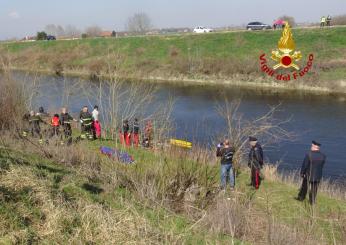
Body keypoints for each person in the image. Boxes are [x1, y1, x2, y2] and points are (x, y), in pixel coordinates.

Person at [296, 141, 326, 205]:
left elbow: (305, 165)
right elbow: (322, 166)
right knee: (314, 189)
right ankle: (312, 202)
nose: (311, 147)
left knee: (304, 187)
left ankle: (301, 198)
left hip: (308, 175)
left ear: (315, 147)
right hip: (318, 175)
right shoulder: (323, 156)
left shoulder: (309, 154)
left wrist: (302, 173)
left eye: (312, 146)